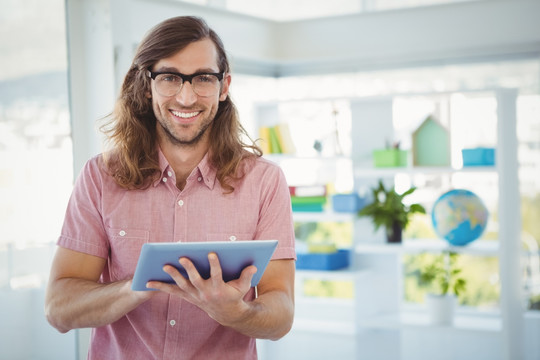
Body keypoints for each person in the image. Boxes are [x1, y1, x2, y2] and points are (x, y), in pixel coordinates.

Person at [45, 16, 296, 360]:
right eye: (170, 78)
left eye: (204, 78)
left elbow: (281, 313)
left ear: (224, 87)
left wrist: (235, 312)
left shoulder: (264, 182)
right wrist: (137, 287)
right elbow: (59, 309)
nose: (187, 96)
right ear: (146, 85)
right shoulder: (100, 177)